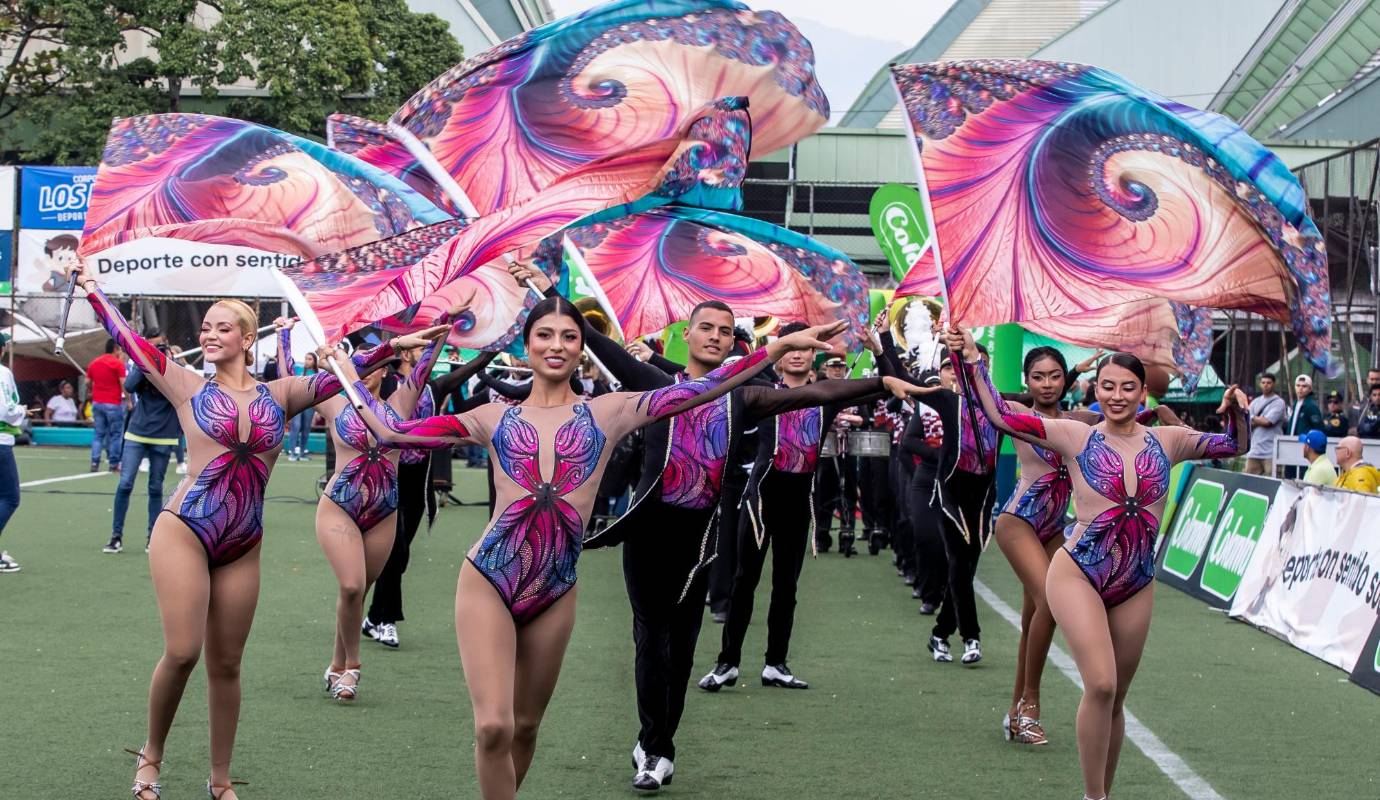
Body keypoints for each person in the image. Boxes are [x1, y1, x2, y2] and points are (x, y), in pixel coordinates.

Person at [329, 294, 839, 800]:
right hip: (488, 579)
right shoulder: (491, 417)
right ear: (526, 346)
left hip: (556, 589)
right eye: (544, 335)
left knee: (526, 729)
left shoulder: (611, 411)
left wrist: (771, 353)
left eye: (569, 336)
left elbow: (703, 391)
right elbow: (392, 431)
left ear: (583, 348)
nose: (557, 345)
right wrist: (358, 363)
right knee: (494, 729)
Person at [70, 260, 426, 800]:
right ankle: (152, 757)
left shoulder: (278, 396)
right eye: (206, 328)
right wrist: (95, 291)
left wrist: (392, 351)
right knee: (184, 651)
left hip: (243, 542)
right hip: (186, 529)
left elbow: (341, 378)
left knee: (228, 663)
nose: (209, 335)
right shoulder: (186, 385)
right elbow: (130, 340)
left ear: (246, 337)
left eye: (222, 327)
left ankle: (219, 778)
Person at [566, 291, 919, 790]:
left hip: (701, 539)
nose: (715, 337)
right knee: (650, 639)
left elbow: (816, 396)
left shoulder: (743, 398)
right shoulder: (656, 386)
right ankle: (653, 747)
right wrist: (552, 294)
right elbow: (604, 346)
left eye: (725, 331)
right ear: (686, 335)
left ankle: (661, 742)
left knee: (683, 648)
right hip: (649, 534)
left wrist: (881, 379)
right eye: (706, 327)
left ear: (734, 342)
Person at [952, 325, 1249, 800]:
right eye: (1107, 386)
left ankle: (1102, 794)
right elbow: (1002, 416)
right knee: (1103, 685)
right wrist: (971, 362)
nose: (1117, 395)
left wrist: (1238, 413)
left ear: (1142, 391)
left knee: (1116, 701)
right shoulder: (1075, 435)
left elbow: (1234, 446)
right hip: (1078, 573)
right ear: (1094, 390)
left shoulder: (1165, 440)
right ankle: (1090, 793)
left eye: (1128, 387)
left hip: (1135, 580)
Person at [284, 319, 450, 703]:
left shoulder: (401, 403)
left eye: (379, 366)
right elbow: (287, 384)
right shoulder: (332, 399)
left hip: (383, 511)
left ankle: (336, 663)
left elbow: (426, 364)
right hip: (340, 505)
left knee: (357, 594)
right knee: (351, 586)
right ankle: (353, 668)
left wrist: (445, 325)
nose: (373, 371)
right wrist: (285, 336)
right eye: (365, 364)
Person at [364, 348, 498, 650]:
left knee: (400, 554)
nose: (422, 351)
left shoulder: (433, 389)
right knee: (395, 551)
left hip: (416, 482)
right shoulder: (387, 384)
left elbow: (470, 367)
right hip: (389, 477)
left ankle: (373, 616)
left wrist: (496, 344)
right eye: (418, 347)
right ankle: (386, 620)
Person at [104, 336, 184, 554]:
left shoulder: (174, 371)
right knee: (125, 483)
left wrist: (168, 362)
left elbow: (183, 389)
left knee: (155, 487)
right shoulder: (143, 369)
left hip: (164, 437)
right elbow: (129, 386)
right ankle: (115, 537)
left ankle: (152, 538)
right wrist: (145, 362)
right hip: (137, 434)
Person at [0, 334, 25, 574]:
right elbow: (5, 409)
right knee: (10, 497)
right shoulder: (3, 373)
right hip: (1, 441)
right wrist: (21, 411)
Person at [87, 337, 128, 472]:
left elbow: (87, 382)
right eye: (119, 349)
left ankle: (95, 462)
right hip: (113, 403)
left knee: (98, 434)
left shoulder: (94, 362)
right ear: (115, 348)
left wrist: (93, 389)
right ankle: (114, 463)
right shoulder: (118, 364)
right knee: (116, 434)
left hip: (97, 402)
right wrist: (128, 400)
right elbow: (124, 384)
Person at [1245, 374, 1285, 475]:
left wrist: (1253, 417)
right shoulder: (1255, 402)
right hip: (1254, 450)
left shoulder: (1279, 402)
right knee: (1248, 483)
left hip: (1271, 452)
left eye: (1268, 383)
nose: (1266, 385)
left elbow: (1268, 422)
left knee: (1273, 483)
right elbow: (1245, 421)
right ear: (1260, 384)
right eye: (1263, 383)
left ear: (1274, 384)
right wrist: (1257, 419)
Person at [287, 351, 320, 461]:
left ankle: (301, 453)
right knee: (296, 426)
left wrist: (317, 411)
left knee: (306, 429)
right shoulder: (298, 369)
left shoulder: (318, 374)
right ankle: (292, 453)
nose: (307, 361)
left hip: (309, 405)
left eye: (310, 359)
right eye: (306, 358)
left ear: (315, 361)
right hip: (297, 402)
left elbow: (318, 392)